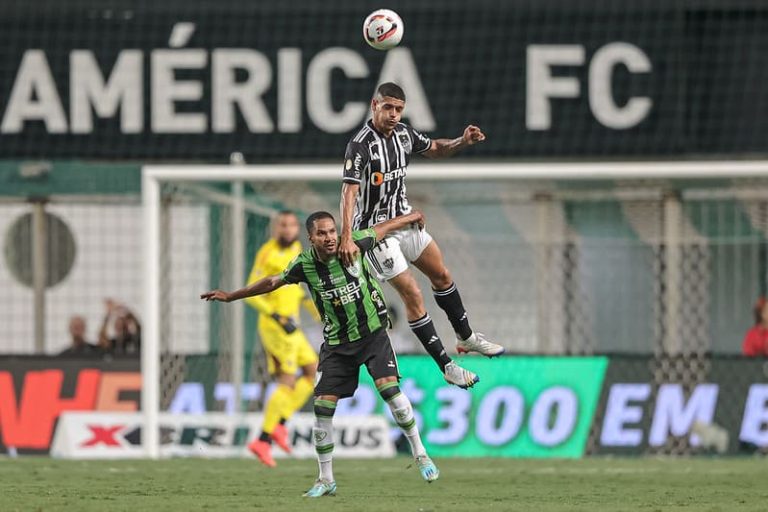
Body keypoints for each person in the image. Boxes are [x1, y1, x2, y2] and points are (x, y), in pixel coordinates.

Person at [202, 210, 439, 497]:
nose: (329, 237)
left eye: (332, 231)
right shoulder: (303, 265)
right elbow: (271, 282)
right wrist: (231, 296)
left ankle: (420, 453)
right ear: (311, 238)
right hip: (337, 345)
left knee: (389, 391)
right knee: (322, 409)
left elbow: (382, 228)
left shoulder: (352, 245)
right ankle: (326, 479)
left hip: (372, 335)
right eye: (322, 233)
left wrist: (412, 216)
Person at [338, 82, 504, 388]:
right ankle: (447, 366)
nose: (393, 114)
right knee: (413, 294)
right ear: (375, 105)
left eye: (399, 109)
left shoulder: (403, 134)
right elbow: (349, 191)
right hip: (377, 235)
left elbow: (436, 149)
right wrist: (347, 236)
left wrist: (462, 141)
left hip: (406, 220)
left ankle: (466, 337)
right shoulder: (360, 145)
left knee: (441, 274)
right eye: (388, 107)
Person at [243, 210, 320, 467]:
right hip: (275, 327)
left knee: (312, 373)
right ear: (276, 228)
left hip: (293, 325)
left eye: (291, 225)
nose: (287, 229)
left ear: (297, 229)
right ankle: (262, 440)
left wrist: (320, 314)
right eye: (282, 225)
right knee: (287, 382)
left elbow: (301, 293)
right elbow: (253, 291)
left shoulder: (298, 249)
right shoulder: (267, 252)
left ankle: (280, 424)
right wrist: (276, 315)